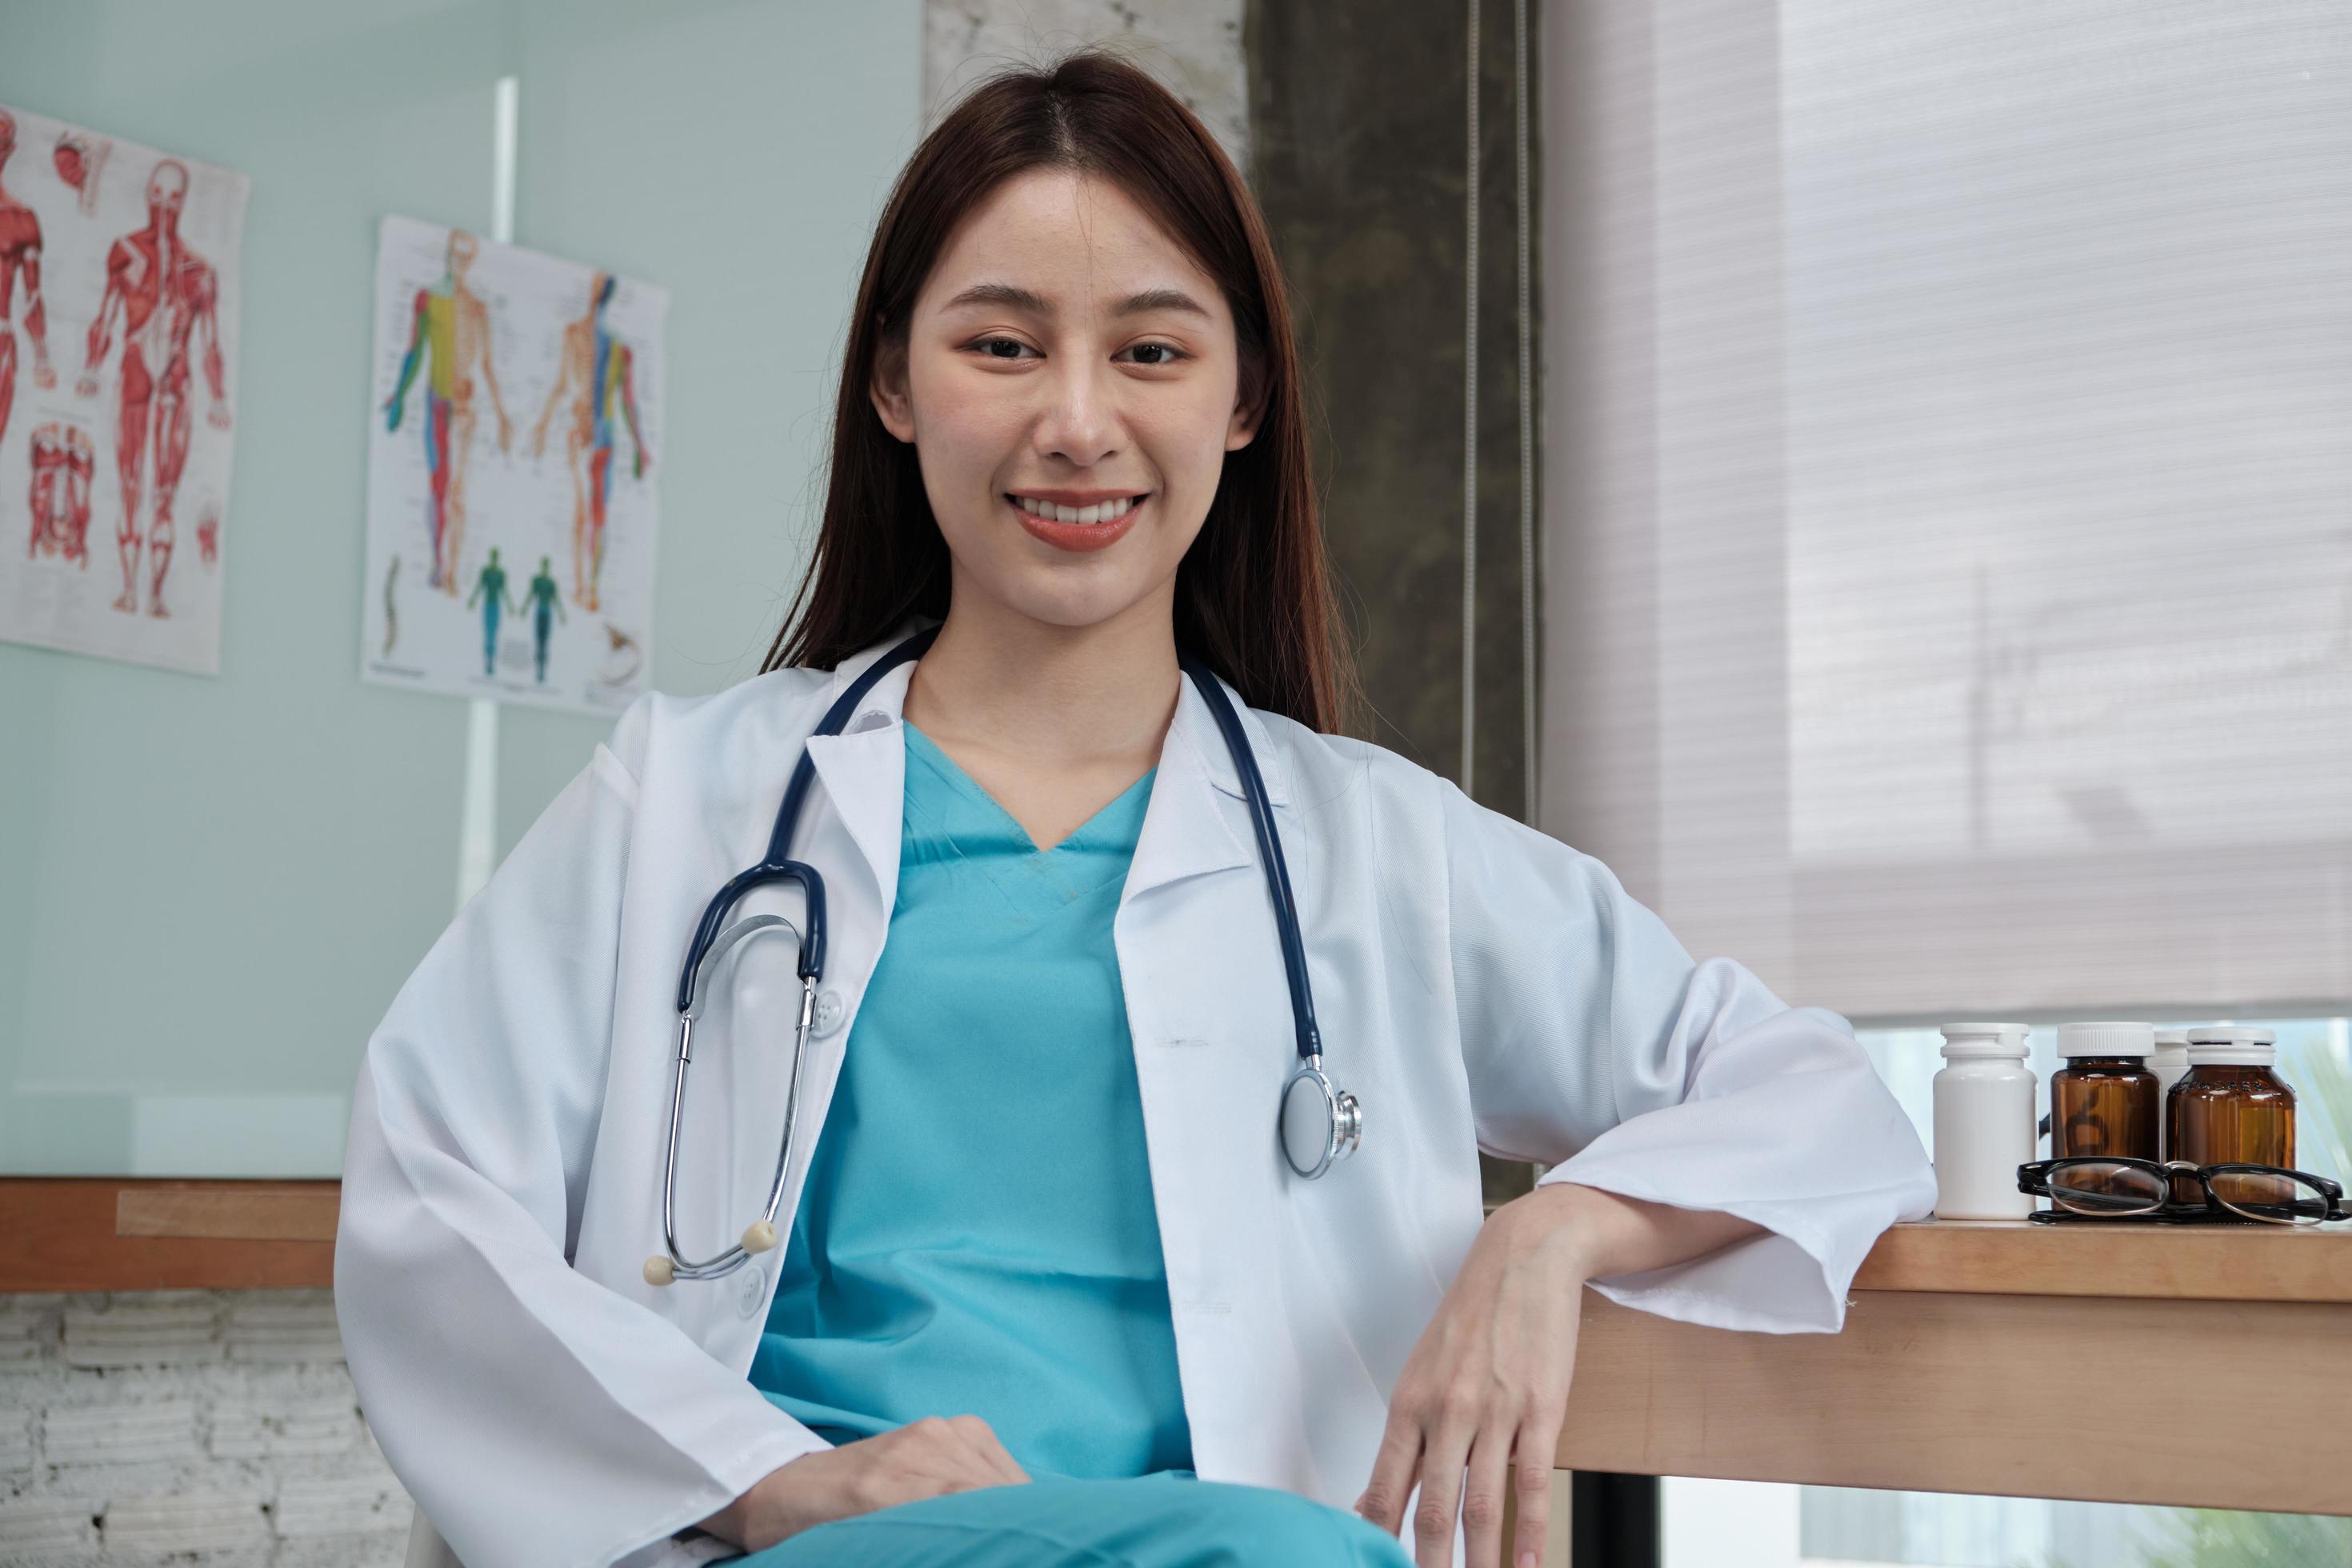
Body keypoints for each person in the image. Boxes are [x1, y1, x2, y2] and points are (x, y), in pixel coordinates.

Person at [333, 49, 1935, 1568]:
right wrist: (782, 1476)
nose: (1078, 422)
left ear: (1242, 403)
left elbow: (1816, 1093)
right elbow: (428, 1191)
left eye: (1152, 350)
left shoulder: (1375, 848)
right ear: (895, 381)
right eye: (1002, 343)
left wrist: (1554, 1231)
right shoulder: (688, 801)